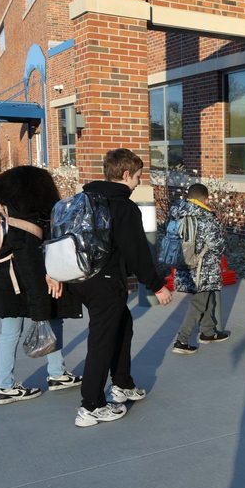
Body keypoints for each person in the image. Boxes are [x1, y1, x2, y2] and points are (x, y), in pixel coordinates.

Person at [72, 148, 172, 427]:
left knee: (123, 326)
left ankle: (123, 383)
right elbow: (137, 252)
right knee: (102, 342)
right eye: (138, 177)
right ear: (126, 174)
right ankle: (91, 406)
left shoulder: (84, 199)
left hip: (80, 279)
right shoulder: (123, 207)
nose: (139, 182)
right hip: (104, 283)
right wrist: (157, 286)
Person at [0, 166, 84, 404]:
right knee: (48, 319)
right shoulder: (26, 220)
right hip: (20, 283)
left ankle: (20, 381)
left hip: (2, 281)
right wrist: (41, 303)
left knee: (10, 332)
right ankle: (19, 383)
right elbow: (30, 264)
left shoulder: (0, 208)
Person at [169, 183, 230, 355]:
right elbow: (216, 245)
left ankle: (208, 332)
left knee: (208, 296)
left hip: (184, 264)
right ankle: (181, 340)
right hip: (203, 267)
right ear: (206, 198)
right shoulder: (206, 217)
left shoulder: (176, 212)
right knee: (198, 302)